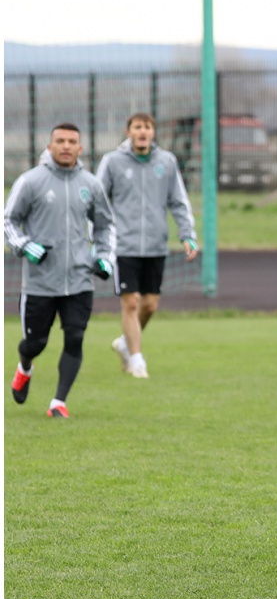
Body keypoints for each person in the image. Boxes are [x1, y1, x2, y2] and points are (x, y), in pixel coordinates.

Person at [5, 123, 115, 419]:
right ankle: (25, 366)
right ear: (50, 145)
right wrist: (25, 245)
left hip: (80, 280)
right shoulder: (31, 181)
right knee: (35, 343)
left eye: (72, 142)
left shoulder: (91, 184)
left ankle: (58, 402)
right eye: (60, 141)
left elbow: (105, 225)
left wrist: (105, 256)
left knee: (75, 338)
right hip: (40, 283)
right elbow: (8, 221)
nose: (66, 146)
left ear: (81, 148)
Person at [96, 113, 198, 379]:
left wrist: (187, 235)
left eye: (148, 127)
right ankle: (137, 359)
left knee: (149, 305)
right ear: (128, 131)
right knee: (130, 303)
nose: (143, 131)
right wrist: (98, 240)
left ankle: (124, 343)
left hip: (155, 246)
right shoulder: (112, 162)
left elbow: (178, 201)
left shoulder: (167, 161)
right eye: (137, 127)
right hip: (123, 247)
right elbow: (97, 202)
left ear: (154, 132)